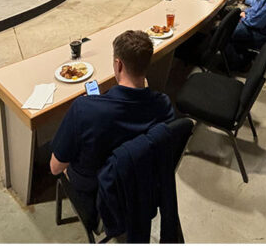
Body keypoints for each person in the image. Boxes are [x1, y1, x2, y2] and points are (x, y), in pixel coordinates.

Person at [49, 30, 175, 208]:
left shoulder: (84, 109)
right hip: (140, 186)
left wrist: (89, 105)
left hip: (100, 196)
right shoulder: (165, 106)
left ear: (118, 65)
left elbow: (55, 168)